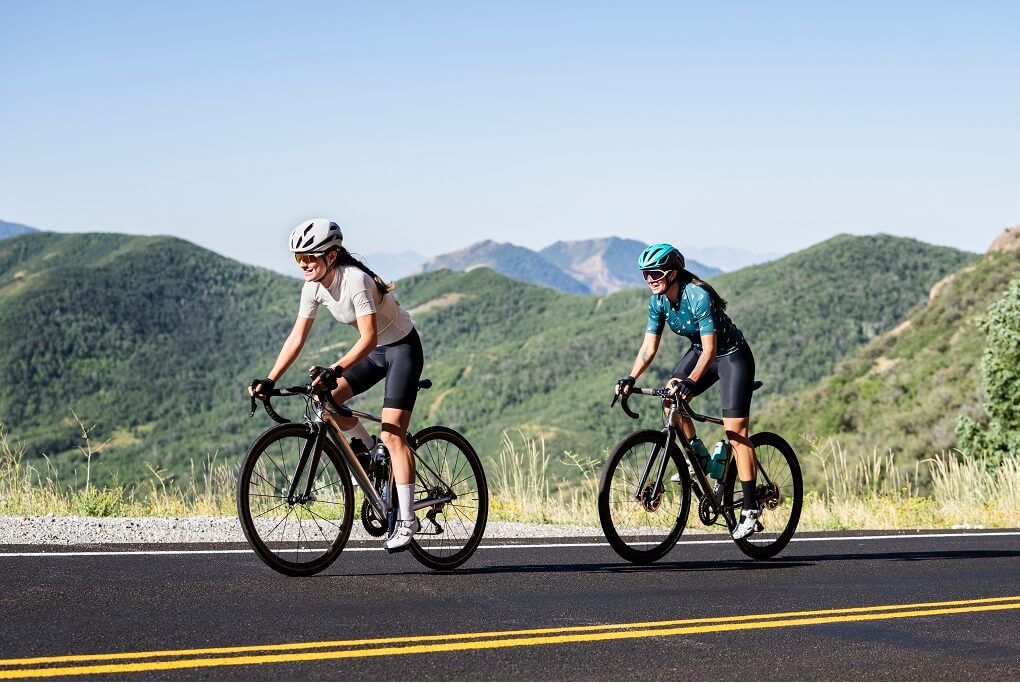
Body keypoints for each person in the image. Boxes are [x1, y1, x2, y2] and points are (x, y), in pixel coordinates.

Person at [248, 218, 424, 551]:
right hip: (373, 353)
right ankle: (371, 453)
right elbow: (297, 337)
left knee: (392, 433)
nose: (303, 264)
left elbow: (370, 337)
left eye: (309, 257)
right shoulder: (312, 287)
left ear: (331, 257)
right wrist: (271, 379)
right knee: (325, 398)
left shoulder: (354, 280)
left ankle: (407, 518)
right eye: (298, 258)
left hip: (401, 349)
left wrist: (335, 367)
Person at [614, 243, 761, 540]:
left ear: (673, 273)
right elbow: (648, 347)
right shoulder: (657, 302)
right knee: (670, 398)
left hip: (731, 357)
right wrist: (630, 377)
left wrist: (692, 381)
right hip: (700, 352)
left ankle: (749, 507)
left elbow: (711, 351)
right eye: (645, 275)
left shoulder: (698, 296)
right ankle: (698, 457)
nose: (650, 280)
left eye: (654, 273)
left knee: (736, 432)